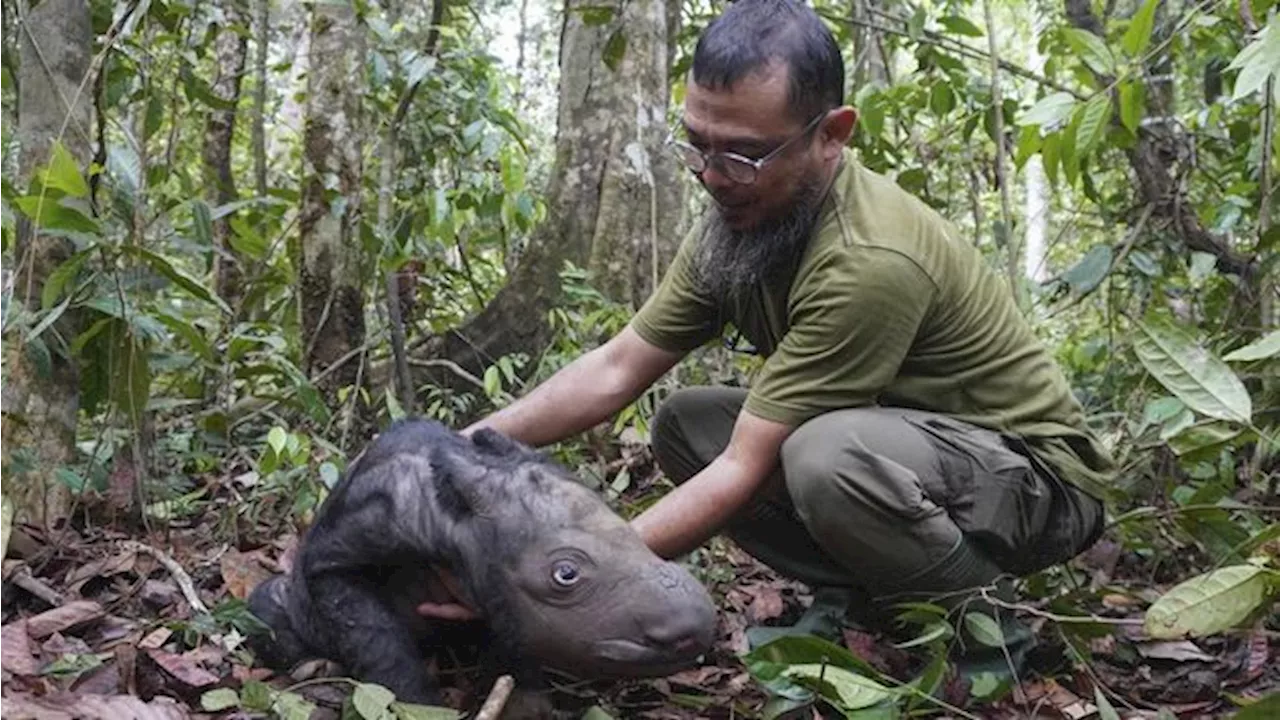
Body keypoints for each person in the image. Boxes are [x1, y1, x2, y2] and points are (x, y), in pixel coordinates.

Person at [420, 0, 1116, 684]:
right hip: (912, 458)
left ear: (832, 133)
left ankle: (990, 634)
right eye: (697, 143)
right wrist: (445, 456)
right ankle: (865, 598)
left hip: (1036, 481)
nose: (714, 176)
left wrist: (558, 588)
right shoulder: (740, 217)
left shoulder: (868, 261)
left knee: (825, 455)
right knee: (686, 424)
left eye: (746, 154)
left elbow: (743, 468)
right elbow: (616, 368)